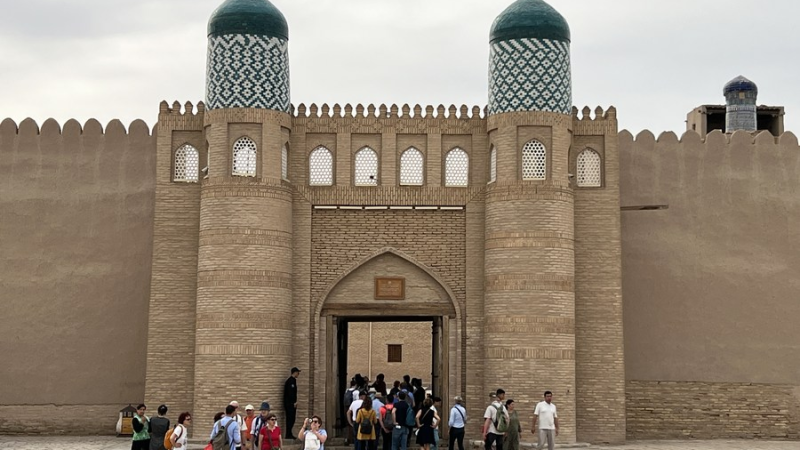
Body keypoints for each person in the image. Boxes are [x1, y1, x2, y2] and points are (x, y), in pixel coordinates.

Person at [284, 367, 301, 439]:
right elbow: (290, 393)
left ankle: (289, 433)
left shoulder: (293, 380)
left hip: (291, 404)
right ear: (295, 372)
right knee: (290, 419)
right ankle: (288, 434)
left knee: (292, 419)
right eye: (298, 373)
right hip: (290, 404)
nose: (298, 374)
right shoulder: (290, 381)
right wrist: (293, 402)